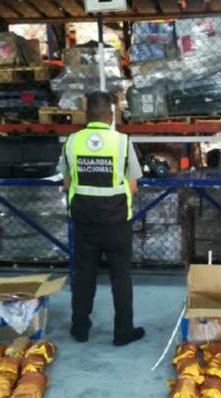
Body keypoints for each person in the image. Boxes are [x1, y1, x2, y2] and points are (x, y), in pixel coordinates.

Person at [61, 91, 145, 346]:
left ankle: (80, 329)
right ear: (111, 116)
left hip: (84, 221)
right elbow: (133, 187)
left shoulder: (71, 142)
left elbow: (67, 183)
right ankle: (123, 333)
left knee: (84, 275)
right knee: (121, 277)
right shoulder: (122, 142)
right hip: (116, 222)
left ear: (86, 115)